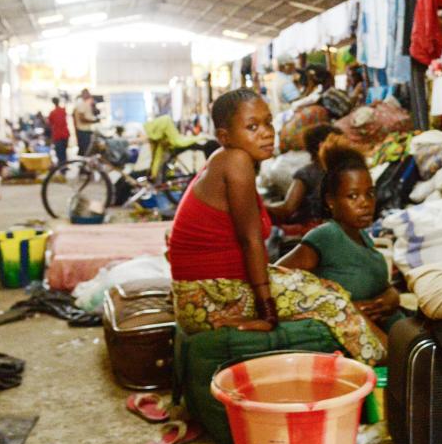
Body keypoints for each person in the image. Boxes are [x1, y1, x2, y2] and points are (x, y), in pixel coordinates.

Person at [167, 88, 385, 365]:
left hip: (207, 291)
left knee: (321, 286)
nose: (267, 132)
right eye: (252, 126)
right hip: (212, 297)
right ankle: (386, 368)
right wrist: (267, 314)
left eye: (268, 122)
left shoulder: (224, 160)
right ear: (225, 137)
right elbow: (251, 241)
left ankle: (385, 353)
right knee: (334, 303)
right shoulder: (235, 161)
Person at [277, 143, 404, 333]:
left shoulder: (362, 236)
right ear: (331, 201)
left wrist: (392, 297)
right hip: (359, 339)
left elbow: (382, 285)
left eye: (370, 193)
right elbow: (277, 281)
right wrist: (343, 310)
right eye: (353, 196)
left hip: (389, 328)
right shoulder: (326, 236)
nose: (365, 203)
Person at [265, 124, 338, 225]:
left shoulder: (309, 172)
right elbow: (288, 209)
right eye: (337, 141)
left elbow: (287, 208)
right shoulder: (307, 174)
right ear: (322, 146)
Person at [73, 88, 98, 156]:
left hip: (86, 130)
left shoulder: (86, 103)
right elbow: (82, 119)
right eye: (88, 93)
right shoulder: (81, 103)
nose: (89, 95)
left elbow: (95, 112)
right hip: (83, 131)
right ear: (83, 94)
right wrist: (94, 121)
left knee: (86, 151)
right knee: (86, 151)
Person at [47, 97, 71, 165]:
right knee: (64, 151)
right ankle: (64, 165)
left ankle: (62, 167)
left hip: (58, 135)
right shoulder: (63, 110)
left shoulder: (52, 113)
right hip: (65, 134)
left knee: (59, 152)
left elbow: (49, 124)